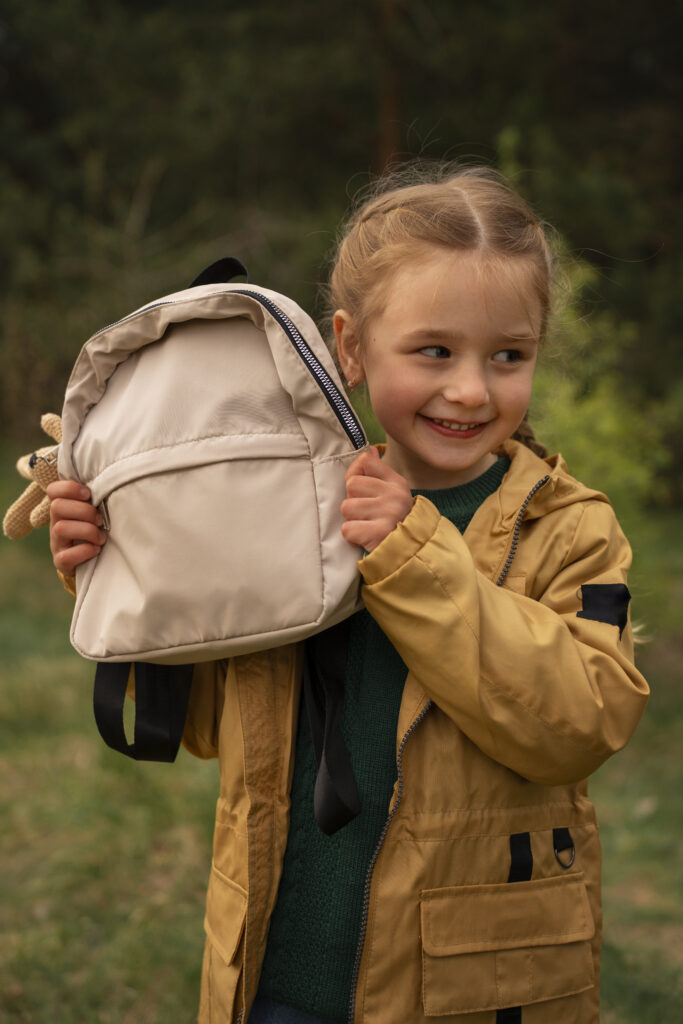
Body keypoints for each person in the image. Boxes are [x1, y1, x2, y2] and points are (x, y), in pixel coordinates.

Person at [48, 165, 649, 1024]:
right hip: (276, 970)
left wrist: (413, 556)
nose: (471, 389)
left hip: (474, 992)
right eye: (433, 350)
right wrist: (119, 574)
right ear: (352, 348)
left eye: (507, 355)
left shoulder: (569, 527)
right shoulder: (288, 505)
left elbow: (579, 724)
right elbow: (210, 727)